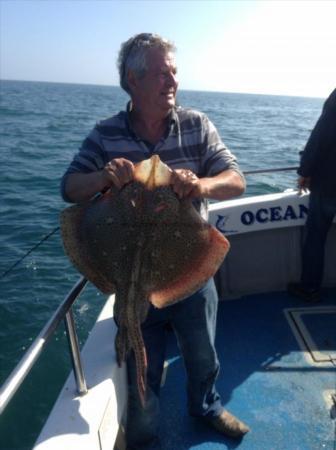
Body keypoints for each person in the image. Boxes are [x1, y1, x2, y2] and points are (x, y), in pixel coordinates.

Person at [61, 33, 248, 449]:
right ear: (134, 79)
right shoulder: (105, 134)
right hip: (130, 278)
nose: (173, 81)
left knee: (202, 354)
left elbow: (235, 180)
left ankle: (207, 406)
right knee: (141, 367)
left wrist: (199, 184)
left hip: (188, 273)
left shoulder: (197, 126)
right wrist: (104, 177)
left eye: (174, 72)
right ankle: (144, 434)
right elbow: (70, 187)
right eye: (162, 73)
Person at [288, 88, 336, 302]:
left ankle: (309, 288)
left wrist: (305, 171)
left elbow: (320, 136)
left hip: (329, 184)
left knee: (315, 237)